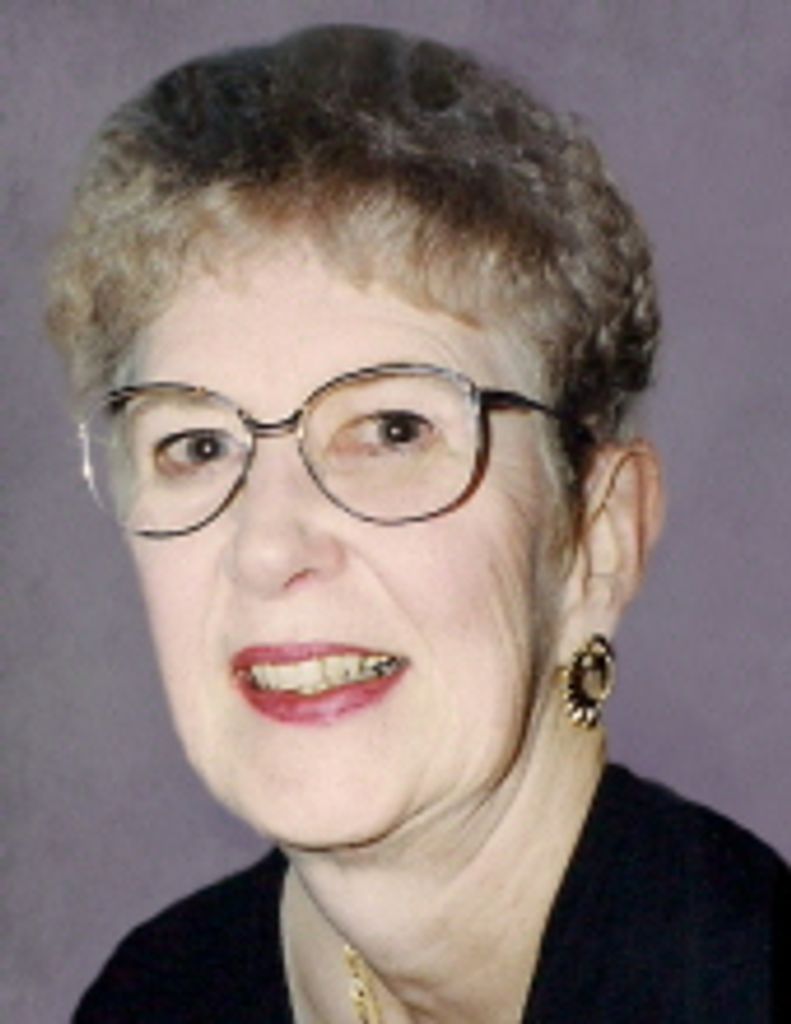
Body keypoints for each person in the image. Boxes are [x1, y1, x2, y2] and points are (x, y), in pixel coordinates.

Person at [46, 23, 787, 1024]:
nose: (267, 547)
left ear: (596, 541)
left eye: (391, 430)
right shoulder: (161, 994)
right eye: (198, 445)